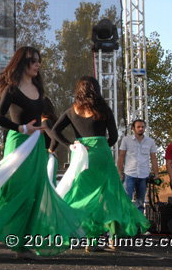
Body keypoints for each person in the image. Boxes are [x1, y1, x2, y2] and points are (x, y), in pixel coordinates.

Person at [0, 46, 84, 260]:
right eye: (33, 61)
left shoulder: (39, 89)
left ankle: (22, 247)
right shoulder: (12, 89)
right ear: (22, 63)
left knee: (34, 194)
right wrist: (22, 128)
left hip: (36, 147)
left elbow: (40, 121)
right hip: (17, 144)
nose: (37, 64)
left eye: (38, 61)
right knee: (13, 192)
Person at [49, 76, 150, 247]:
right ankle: (113, 238)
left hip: (81, 155)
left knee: (83, 194)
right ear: (96, 89)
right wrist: (102, 146)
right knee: (109, 194)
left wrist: (70, 145)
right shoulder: (104, 109)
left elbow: (54, 131)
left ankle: (91, 239)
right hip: (102, 154)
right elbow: (114, 136)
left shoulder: (72, 111)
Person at [117, 119, 160, 213]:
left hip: (143, 175)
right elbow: (121, 156)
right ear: (133, 128)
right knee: (126, 201)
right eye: (138, 127)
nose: (141, 129)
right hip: (129, 174)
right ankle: (127, 225)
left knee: (140, 202)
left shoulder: (150, 141)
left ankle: (138, 226)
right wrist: (119, 172)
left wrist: (156, 174)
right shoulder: (126, 140)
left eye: (142, 127)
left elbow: (153, 158)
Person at [42, 96, 58, 187]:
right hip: (47, 158)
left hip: (46, 159)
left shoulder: (44, 122)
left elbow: (54, 138)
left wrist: (50, 150)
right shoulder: (47, 122)